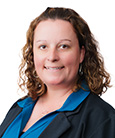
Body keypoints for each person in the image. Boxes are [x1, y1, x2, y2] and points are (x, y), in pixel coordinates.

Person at [0, 7, 115, 138]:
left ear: (81, 53)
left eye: (63, 46)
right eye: (43, 47)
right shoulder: (19, 107)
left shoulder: (103, 119)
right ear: (33, 54)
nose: (52, 57)